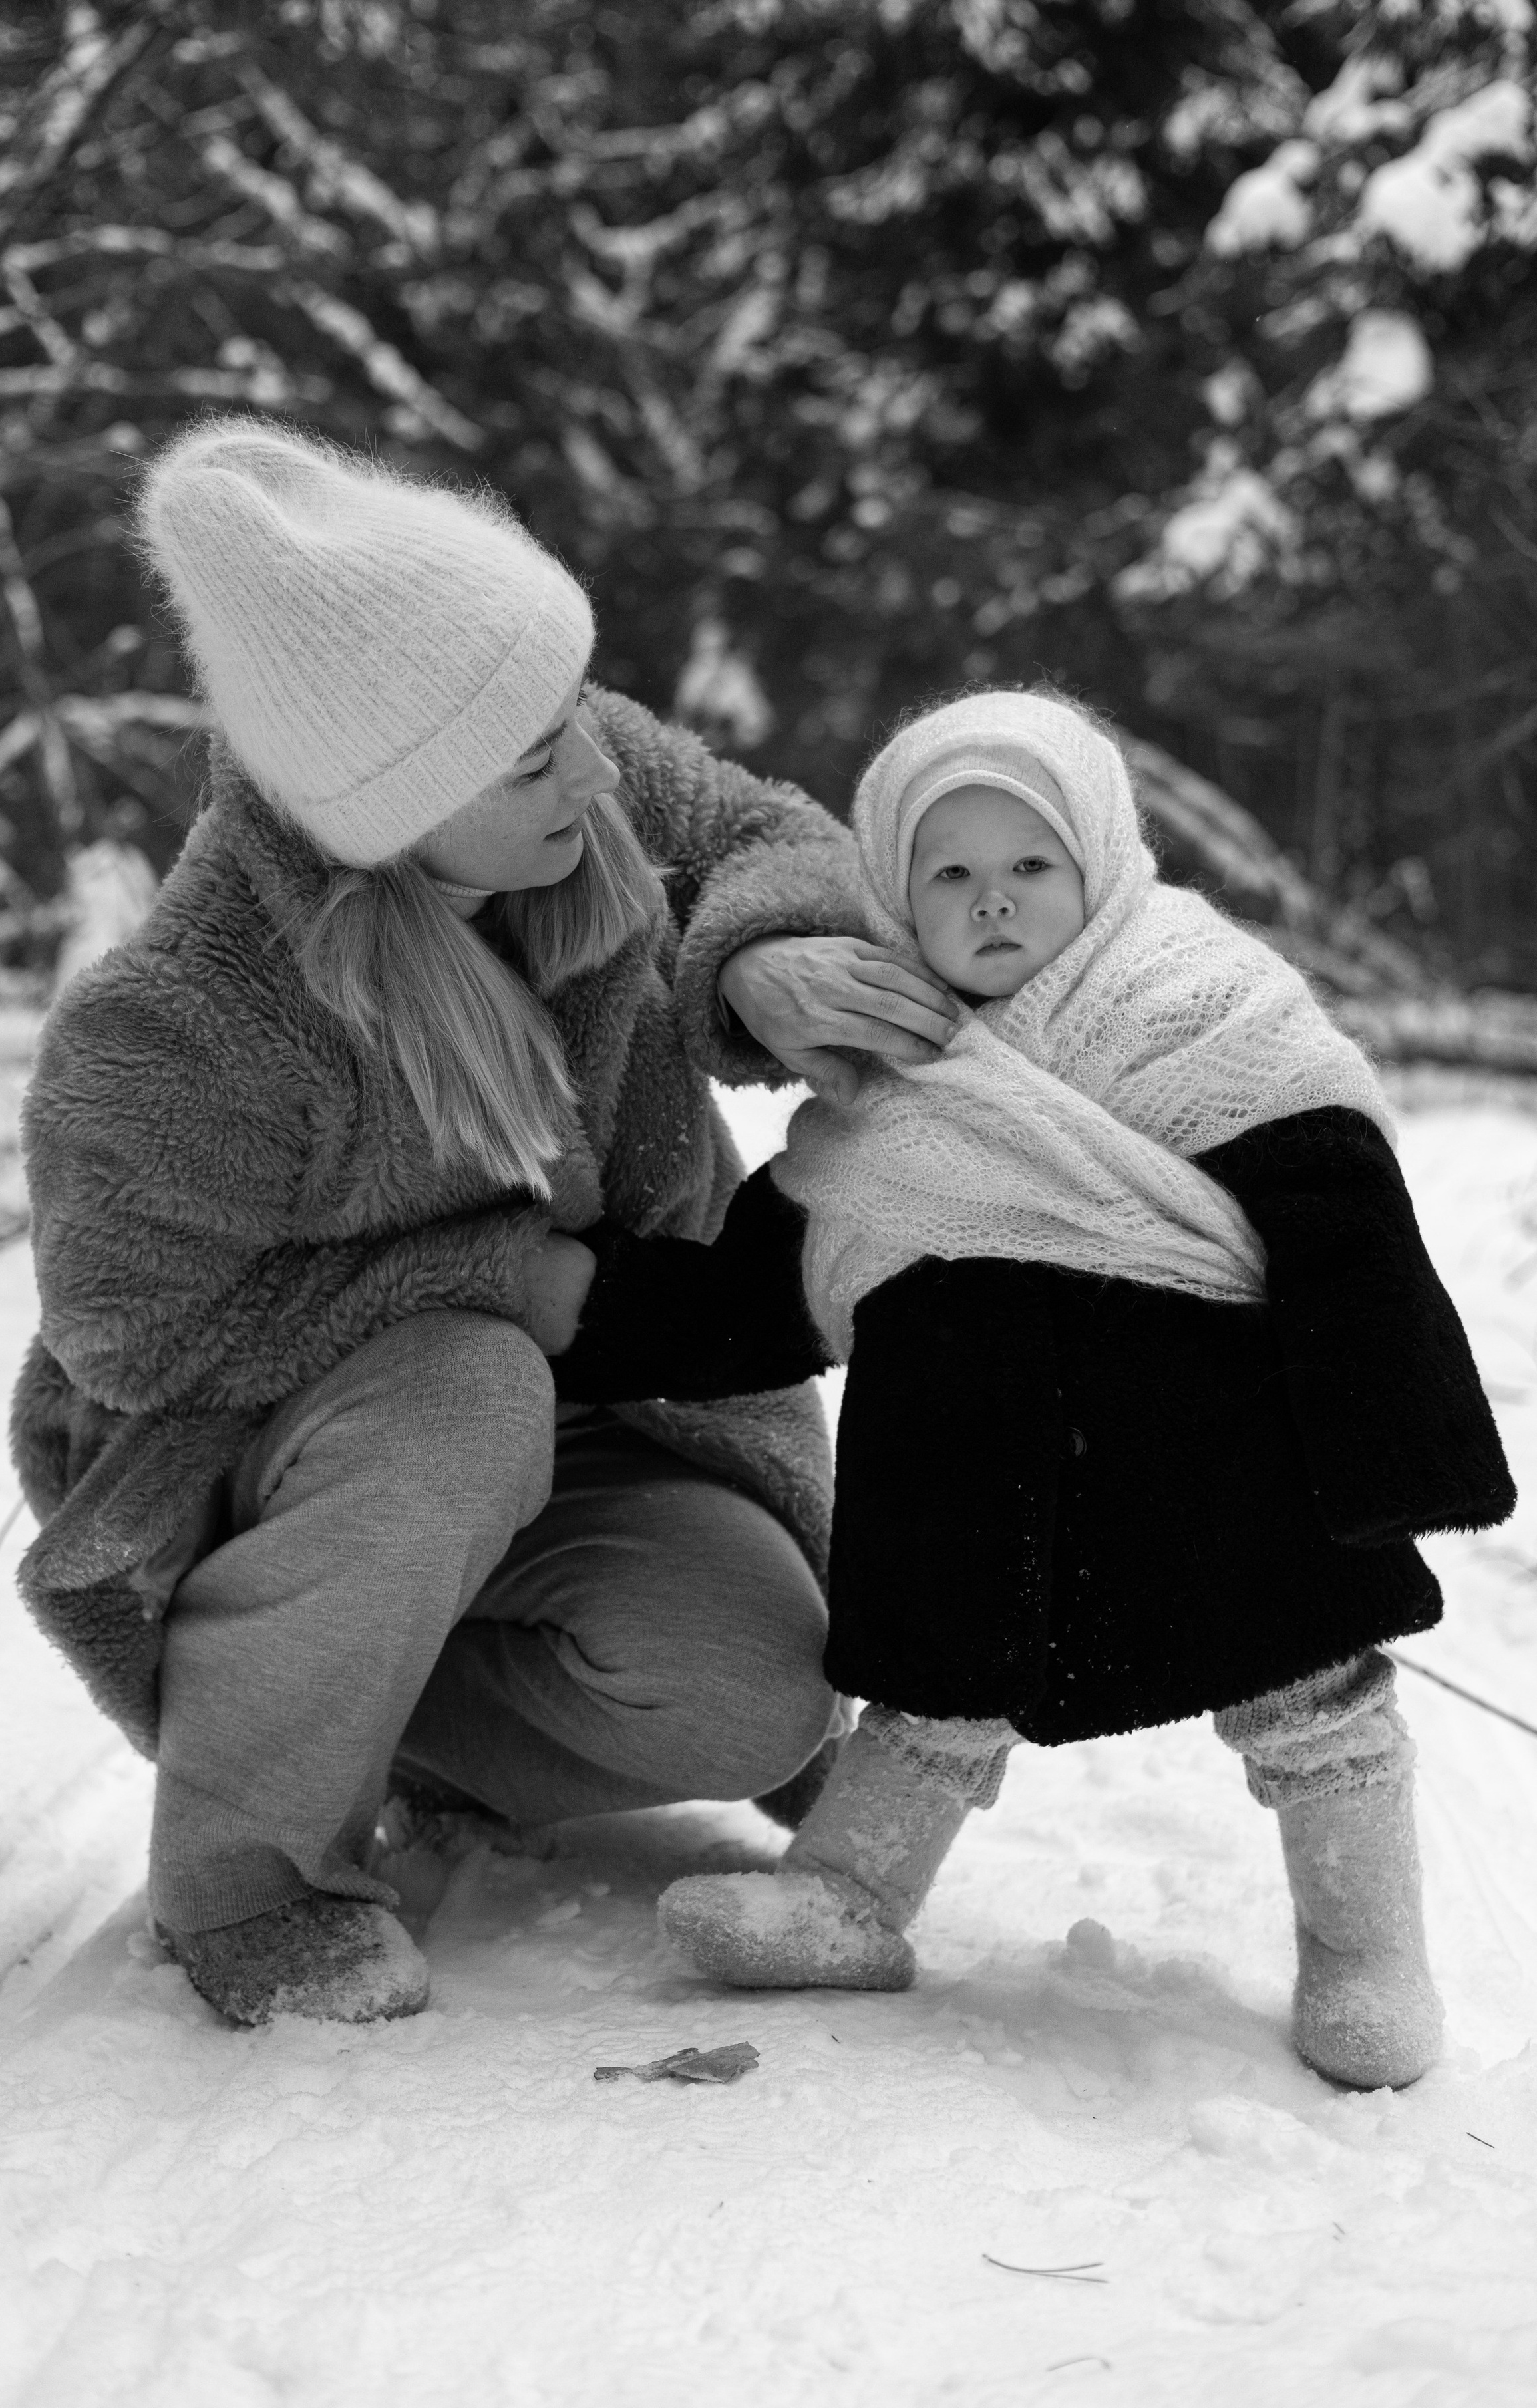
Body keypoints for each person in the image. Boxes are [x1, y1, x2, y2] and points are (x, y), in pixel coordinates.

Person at [9, 420, 959, 2027]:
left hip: (584, 1416)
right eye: (534, 758)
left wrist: (759, 952)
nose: (594, 769)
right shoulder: (181, 1026)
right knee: (465, 1386)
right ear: (384, 809)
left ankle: (364, 1715)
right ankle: (246, 1875)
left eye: (573, 715)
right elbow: (131, 1335)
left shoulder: (558, 766)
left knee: (758, 1693)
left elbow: (762, 835)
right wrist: (497, 1281)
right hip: (289, 1460)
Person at [552, 687, 1514, 2091]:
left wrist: (1394, 1459)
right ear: (890, 890)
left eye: (1027, 867)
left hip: (1223, 1458)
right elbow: (752, 1293)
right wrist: (568, 1311)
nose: (990, 903)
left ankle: (1363, 1952)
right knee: (933, 1703)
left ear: (1099, 865)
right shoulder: (881, 1093)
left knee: (1315, 1707)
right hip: (968, 1479)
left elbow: (1342, 1220)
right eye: (947, 873)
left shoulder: (1203, 1009)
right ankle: (850, 1900)